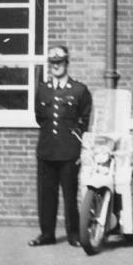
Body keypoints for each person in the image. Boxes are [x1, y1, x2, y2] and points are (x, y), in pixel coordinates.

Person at [31, 45, 92, 247]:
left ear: (67, 63)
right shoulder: (42, 89)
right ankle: (47, 234)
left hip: (68, 152)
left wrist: (75, 144)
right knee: (46, 196)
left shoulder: (79, 90)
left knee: (69, 195)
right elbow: (41, 118)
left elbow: (84, 121)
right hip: (47, 150)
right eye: (53, 63)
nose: (56, 66)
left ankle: (74, 234)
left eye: (60, 62)